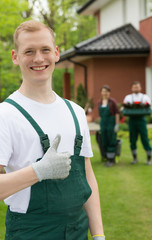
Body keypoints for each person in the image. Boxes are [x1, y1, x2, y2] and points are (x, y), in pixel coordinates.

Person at [0, 20, 105, 240]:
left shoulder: (75, 112)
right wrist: (38, 171)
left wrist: (98, 235)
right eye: (29, 51)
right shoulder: (6, 115)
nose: (38, 58)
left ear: (56, 53)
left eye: (45, 50)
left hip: (78, 231)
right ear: (15, 57)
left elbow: (87, 176)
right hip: (31, 232)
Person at [123, 81, 152, 165]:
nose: (136, 88)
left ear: (140, 88)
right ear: (132, 88)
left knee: (145, 138)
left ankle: (148, 159)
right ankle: (134, 158)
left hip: (141, 120)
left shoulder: (145, 97)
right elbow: (124, 107)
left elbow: (150, 106)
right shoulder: (128, 97)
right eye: (134, 87)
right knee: (132, 139)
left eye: (137, 87)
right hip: (132, 120)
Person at [98, 85, 119, 167]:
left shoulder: (112, 102)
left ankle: (111, 160)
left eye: (106, 91)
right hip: (103, 124)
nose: (104, 93)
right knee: (104, 140)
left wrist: (117, 124)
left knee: (111, 140)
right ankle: (107, 157)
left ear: (109, 93)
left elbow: (117, 113)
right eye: (103, 91)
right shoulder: (99, 102)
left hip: (111, 124)